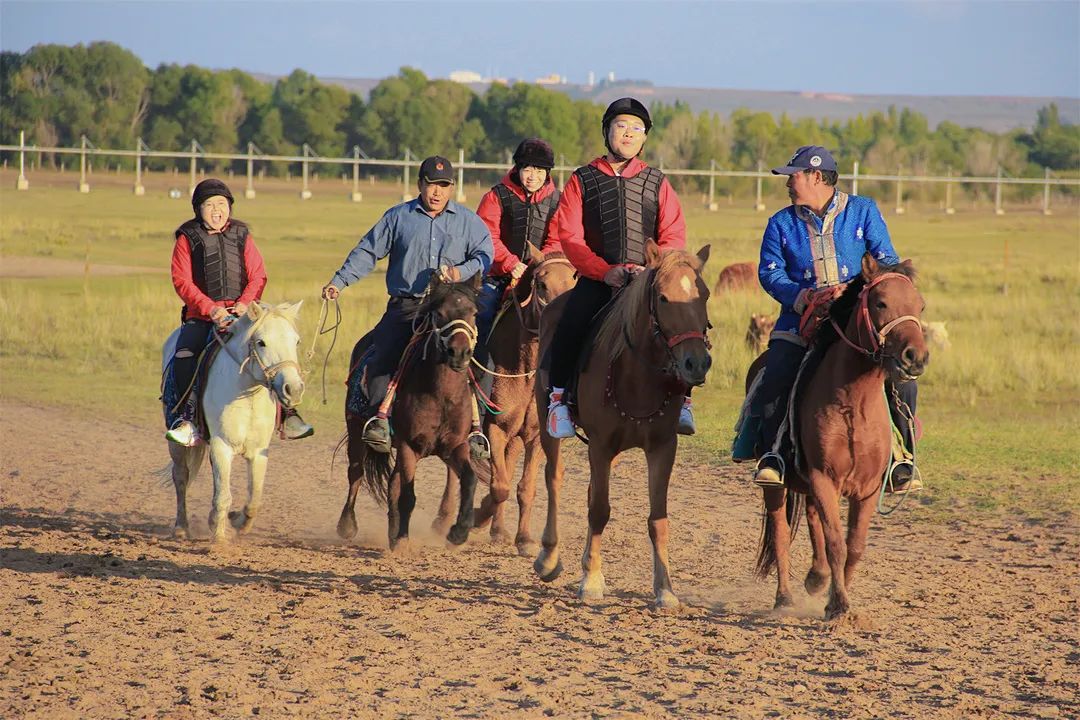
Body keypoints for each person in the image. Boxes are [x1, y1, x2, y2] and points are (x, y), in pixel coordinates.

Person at [743, 145, 921, 493]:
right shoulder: (780, 223)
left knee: (903, 380)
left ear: (816, 176)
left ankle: (903, 460)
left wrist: (851, 289)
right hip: (800, 321)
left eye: (792, 176)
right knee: (775, 372)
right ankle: (774, 455)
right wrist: (804, 296)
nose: (787, 184)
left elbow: (887, 263)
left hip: (856, 325)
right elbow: (770, 273)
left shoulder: (863, 211)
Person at [322, 155, 494, 453]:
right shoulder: (398, 217)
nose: (437, 192)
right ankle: (380, 421)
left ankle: (477, 430)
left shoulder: (469, 222)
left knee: (485, 359)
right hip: (407, 306)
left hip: (451, 308)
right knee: (382, 354)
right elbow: (367, 252)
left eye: (444, 185)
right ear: (420, 185)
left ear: (452, 188)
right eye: (432, 185)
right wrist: (340, 281)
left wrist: (458, 272)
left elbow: (484, 257)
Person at [544, 97, 693, 439]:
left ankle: (683, 398)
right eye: (621, 126)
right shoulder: (582, 179)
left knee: (686, 321)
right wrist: (603, 271)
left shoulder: (658, 182)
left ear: (644, 139)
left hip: (647, 280)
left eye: (636, 129)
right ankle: (558, 401)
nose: (628, 134)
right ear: (606, 131)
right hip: (599, 279)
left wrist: (653, 270)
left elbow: (673, 232)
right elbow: (570, 236)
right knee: (571, 322)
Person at [165, 179, 314, 446]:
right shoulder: (187, 238)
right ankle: (187, 419)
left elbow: (258, 275)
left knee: (274, 345)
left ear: (230, 207)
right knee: (185, 353)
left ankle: (289, 415)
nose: (216, 210)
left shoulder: (243, 235)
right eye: (209, 205)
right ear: (198, 209)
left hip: (244, 312)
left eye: (221, 204)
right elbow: (182, 281)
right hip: (202, 317)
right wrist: (211, 310)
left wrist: (245, 304)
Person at [473, 137, 562, 398]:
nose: (532, 176)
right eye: (527, 169)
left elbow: (556, 239)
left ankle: (563, 389)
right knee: (482, 313)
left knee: (567, 315)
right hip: (498, 275)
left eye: (538, 170)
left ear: (547, 173)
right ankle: (476, 376)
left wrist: (538, 266)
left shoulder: (558, 200)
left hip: (541, 273)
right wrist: (510, 264)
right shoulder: (496, 196)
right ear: (517, 169)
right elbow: (486, 235)